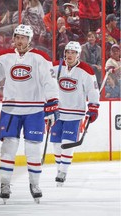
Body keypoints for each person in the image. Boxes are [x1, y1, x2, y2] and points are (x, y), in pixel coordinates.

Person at [0, 24, 59, 203]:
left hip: (34, 110)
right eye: (17, 37)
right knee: (8, 148)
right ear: (13, 38)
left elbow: (49, 81)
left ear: (30, 40)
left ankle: (34, 183)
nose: (20, 41)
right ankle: (5, 184)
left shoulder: (40, 57)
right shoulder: (5, 56)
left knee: (33, 150)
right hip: (11, 109)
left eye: (23, 37)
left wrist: (52, 101)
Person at [51, 41, 100, 187]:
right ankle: (59, 168)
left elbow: (93, 90)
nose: (69, 55)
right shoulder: (55, 66)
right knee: (56, 143)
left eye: (73, 52)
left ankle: (63, 172)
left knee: (68, 142)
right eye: (68, 52)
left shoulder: (86, 70)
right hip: (57, 112)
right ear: (64, 53)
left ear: (78, 54)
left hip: (75, 113)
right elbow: (44, 82)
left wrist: (93, 107)